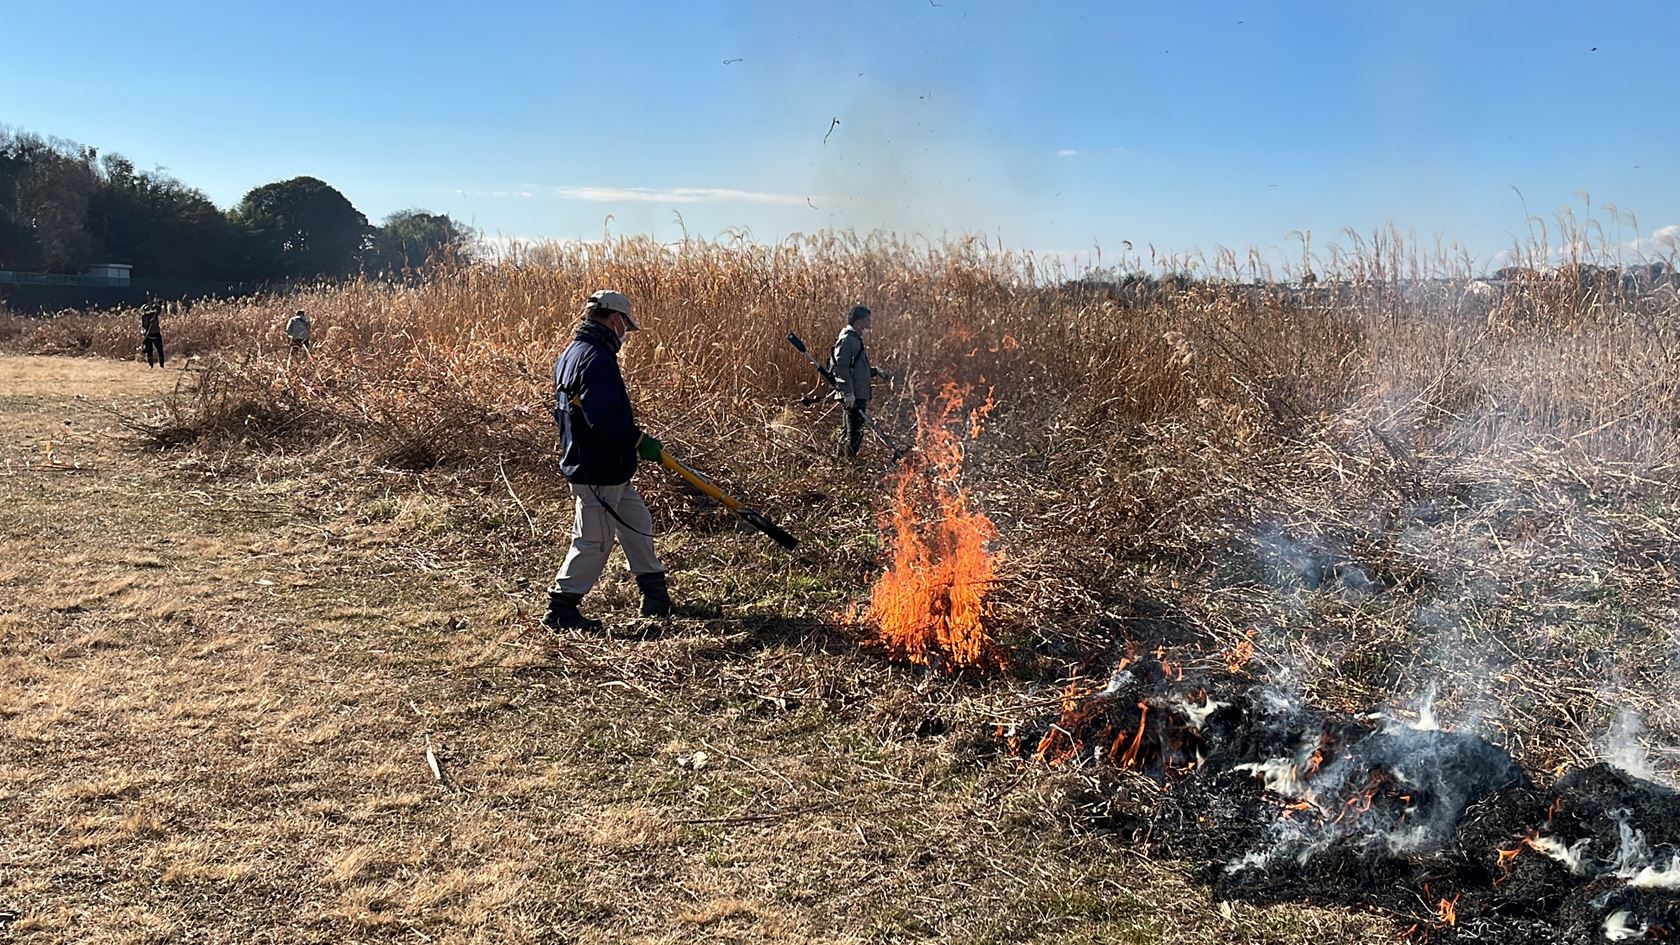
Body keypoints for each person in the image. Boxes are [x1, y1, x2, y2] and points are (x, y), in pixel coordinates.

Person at [542, 289, 672, 631]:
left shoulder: (571, 353)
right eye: (626, 327)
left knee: (636, 522)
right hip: (597, 467)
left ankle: (655, 593)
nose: (626, 334)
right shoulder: (598, 359)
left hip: (602, 464)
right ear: (615, 320)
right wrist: (638, 441)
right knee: (594, 541)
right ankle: (562, 608)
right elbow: (604, 419)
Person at [830, 304, 887, 456]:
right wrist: (848, 393)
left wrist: (875, 371)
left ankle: (840, 463)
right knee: (854, 433)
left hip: (857, 394)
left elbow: (857, 369)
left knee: (849, 431)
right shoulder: (848, 340)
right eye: (867, 320)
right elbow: (841, 368)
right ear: (858, 323)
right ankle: (847, 465)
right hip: (852, 395)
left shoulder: (855, 340)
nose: (869, 324)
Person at [139, 303, 165, 368]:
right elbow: (143, 326)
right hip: (149, 335)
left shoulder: (154, 314)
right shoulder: (144, 317)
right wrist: (143, 332)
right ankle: (151, 365)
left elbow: (159, 310)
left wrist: (157, 305)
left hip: (156, 334)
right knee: (149, 351)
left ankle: (162, 365)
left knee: (160, 350)